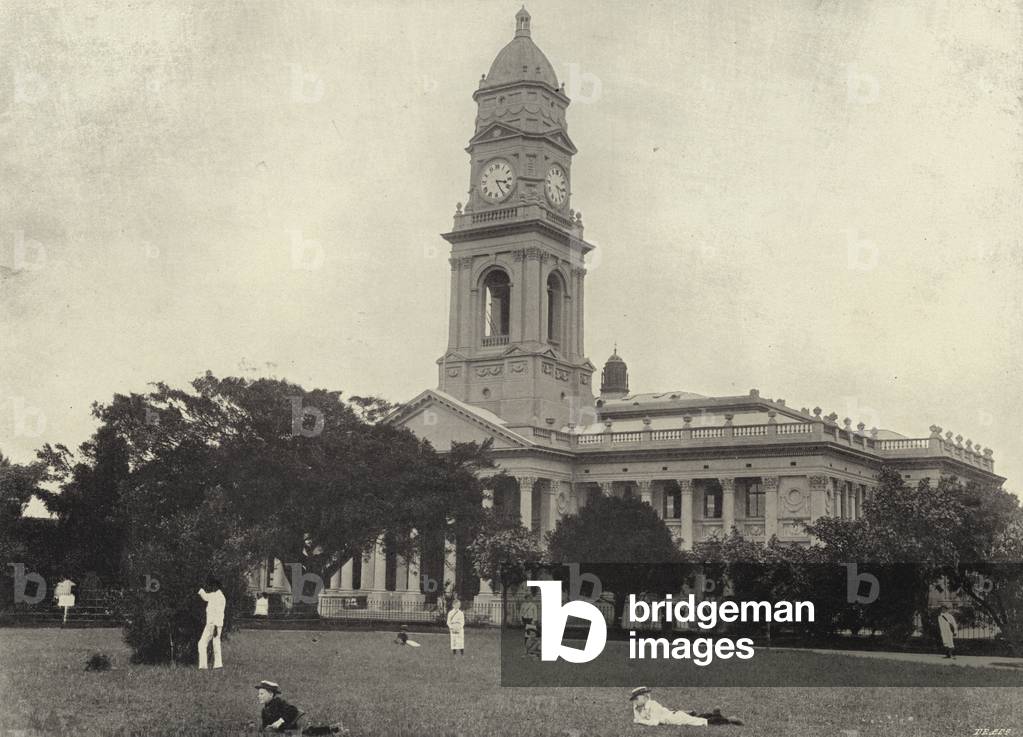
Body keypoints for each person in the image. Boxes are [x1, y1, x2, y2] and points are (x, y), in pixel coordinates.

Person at [255, 680, 345, 734]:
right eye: (259, 694)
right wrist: (267, 728)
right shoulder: (264, 710)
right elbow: (265, 727)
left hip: (293, 726)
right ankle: (334, 729)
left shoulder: (278, 702)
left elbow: (292, 710)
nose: (259, 696)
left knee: (309, 732)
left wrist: (279, 721)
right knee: (310, 732)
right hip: (284, 731)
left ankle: (335, 729)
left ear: (271, 694)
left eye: (262, 693)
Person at [629, 687, 745, 727]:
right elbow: (640, 717)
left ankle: (728, 719)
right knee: (697, 718)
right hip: (674, 714)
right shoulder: (645, 707)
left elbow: (654, 722)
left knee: (702, 722)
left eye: (636, 699)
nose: (635, 702)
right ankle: (715, 714)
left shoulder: (652, 705)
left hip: (675, 718)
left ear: (645, 697)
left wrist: (639, 721)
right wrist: (636, 711)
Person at [197, 576, 226, 669]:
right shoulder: (221, 596)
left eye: (212, 586)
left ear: (215, 586)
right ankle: (218, 665)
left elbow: (205, 597)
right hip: (217, 624)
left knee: (202, 643)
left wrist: (199, 588)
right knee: (216, 643)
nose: (211, 588)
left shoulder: (215, 596)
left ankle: (203, 666)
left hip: (212, 624)